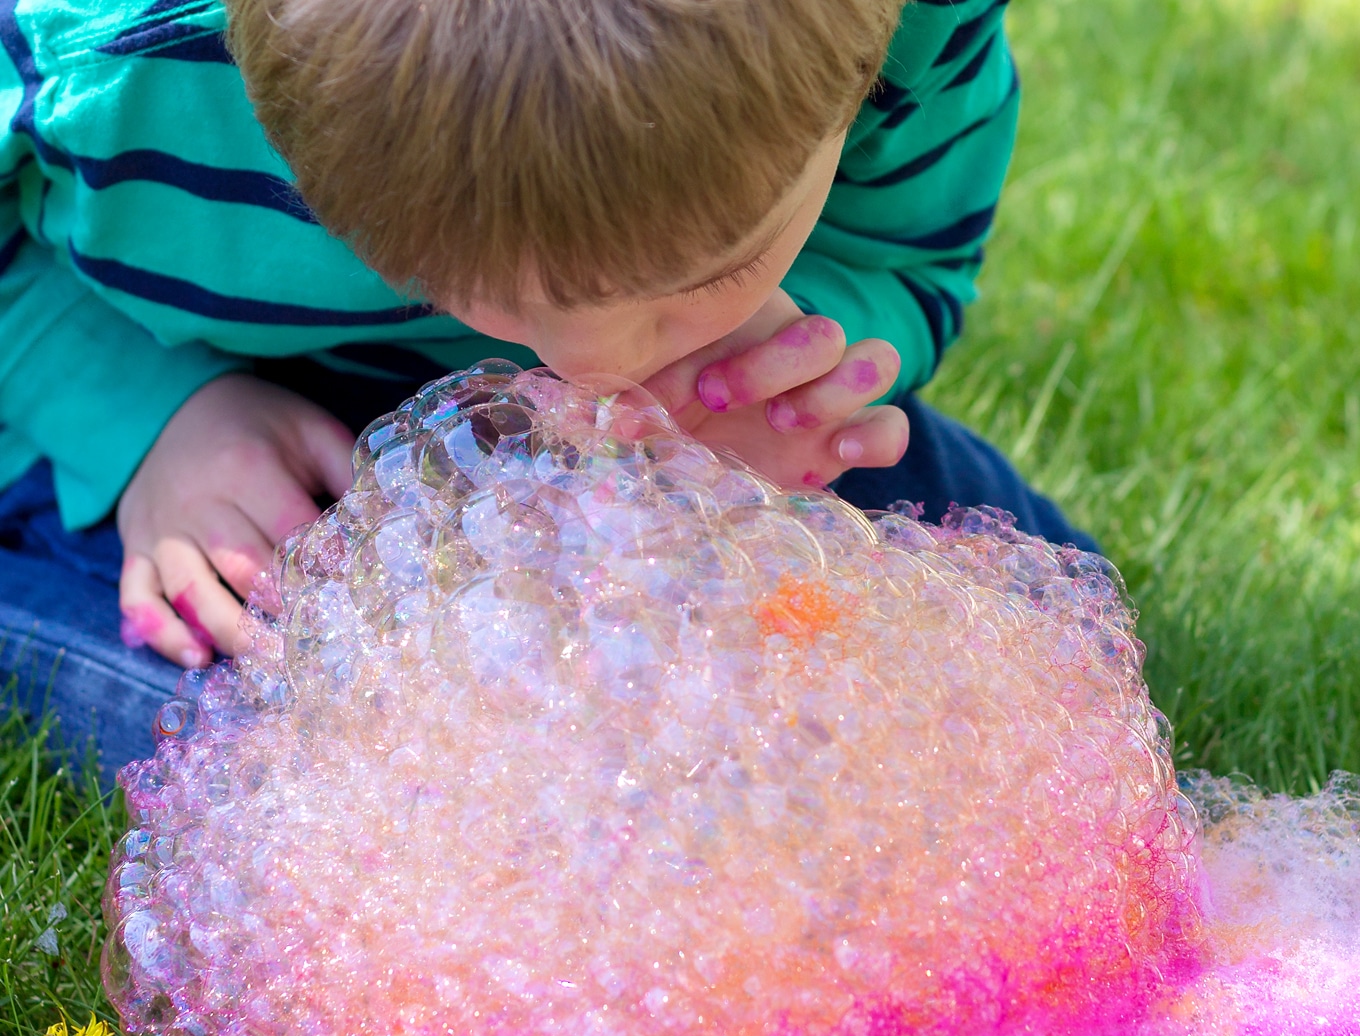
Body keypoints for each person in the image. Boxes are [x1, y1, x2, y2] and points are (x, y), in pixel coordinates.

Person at [0, 0, 1096, 779]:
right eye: (476, 289)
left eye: (705, 269)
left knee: (1032, 634)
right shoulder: (93, 65)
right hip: (169, 411)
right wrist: (142, 420)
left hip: (651, 443)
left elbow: (906, 250)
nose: (596, 365)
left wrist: (798, 362)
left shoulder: (907, 21)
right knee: (306, 756)